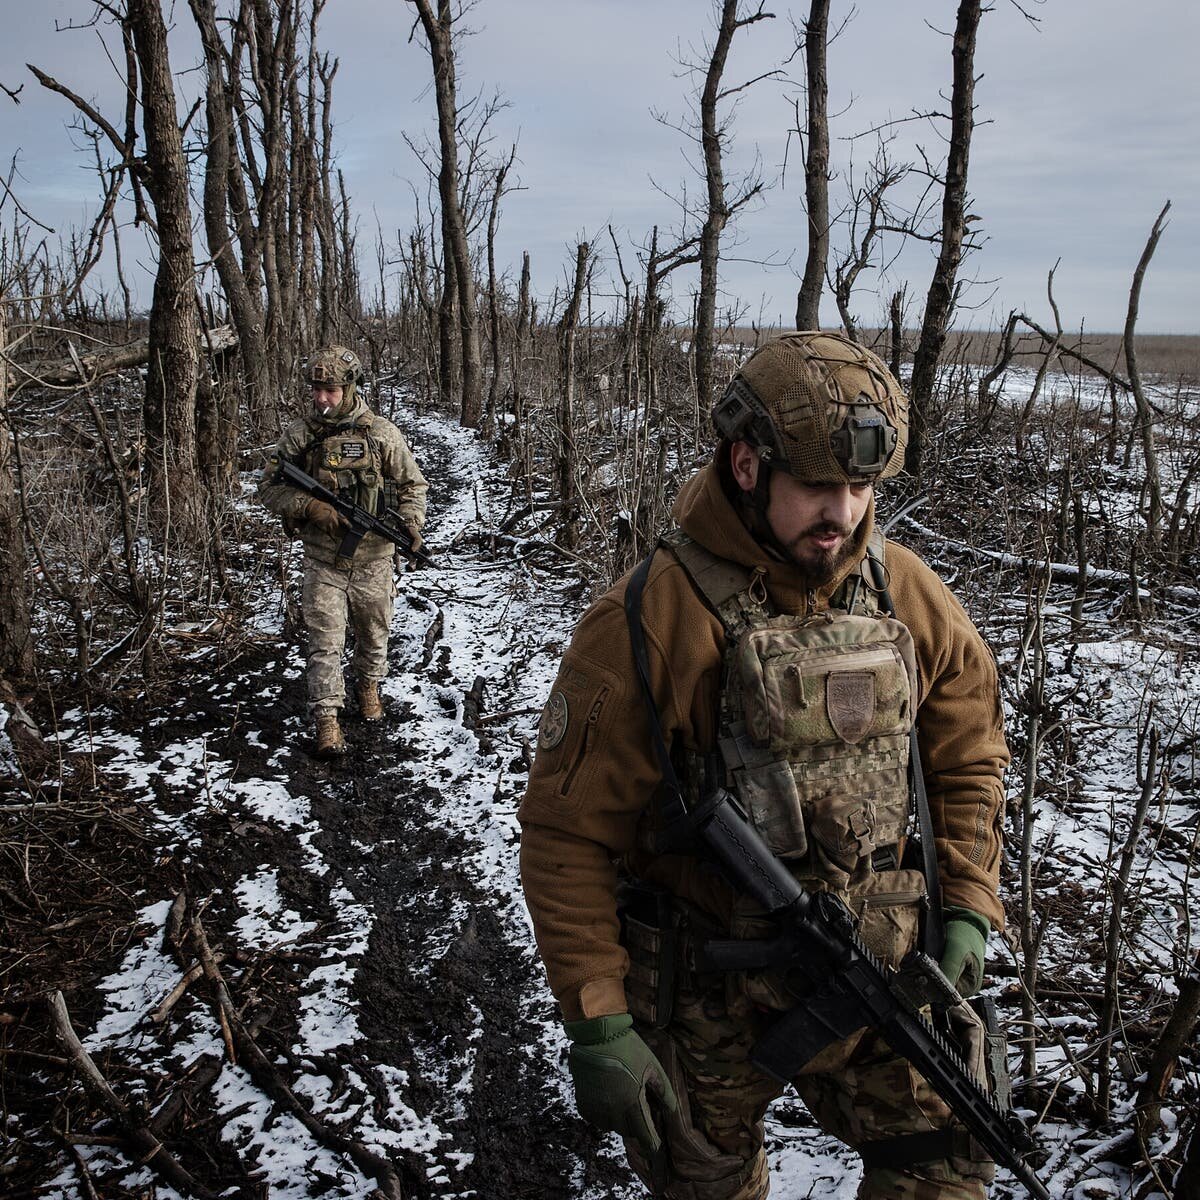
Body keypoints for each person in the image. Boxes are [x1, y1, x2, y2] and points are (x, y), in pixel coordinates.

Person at [518, 331, 1008, 1200]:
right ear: (747, 466)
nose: (845, 512)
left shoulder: (907, 594)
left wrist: (968, 901)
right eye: (820, 486)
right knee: (703, 1183)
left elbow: (967, 755)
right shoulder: (652, 618)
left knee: (951, 1165)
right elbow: (567, 834)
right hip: (706, 990)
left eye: (861, 489)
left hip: (872, 969)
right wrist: (598, 1023)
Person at [260, 345, 427, 759]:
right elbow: (269, 486)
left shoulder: (381, 433)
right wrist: (310, 507)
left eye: (330, 389)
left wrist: (411, 524)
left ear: (350, 387)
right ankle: (327, 719)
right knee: (325, 642)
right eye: (316, 389)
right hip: (323, 560)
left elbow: (413, 486)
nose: (321, 398)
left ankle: (369, 685)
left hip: (373, 561)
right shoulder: (301, 435)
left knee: (374, 634)